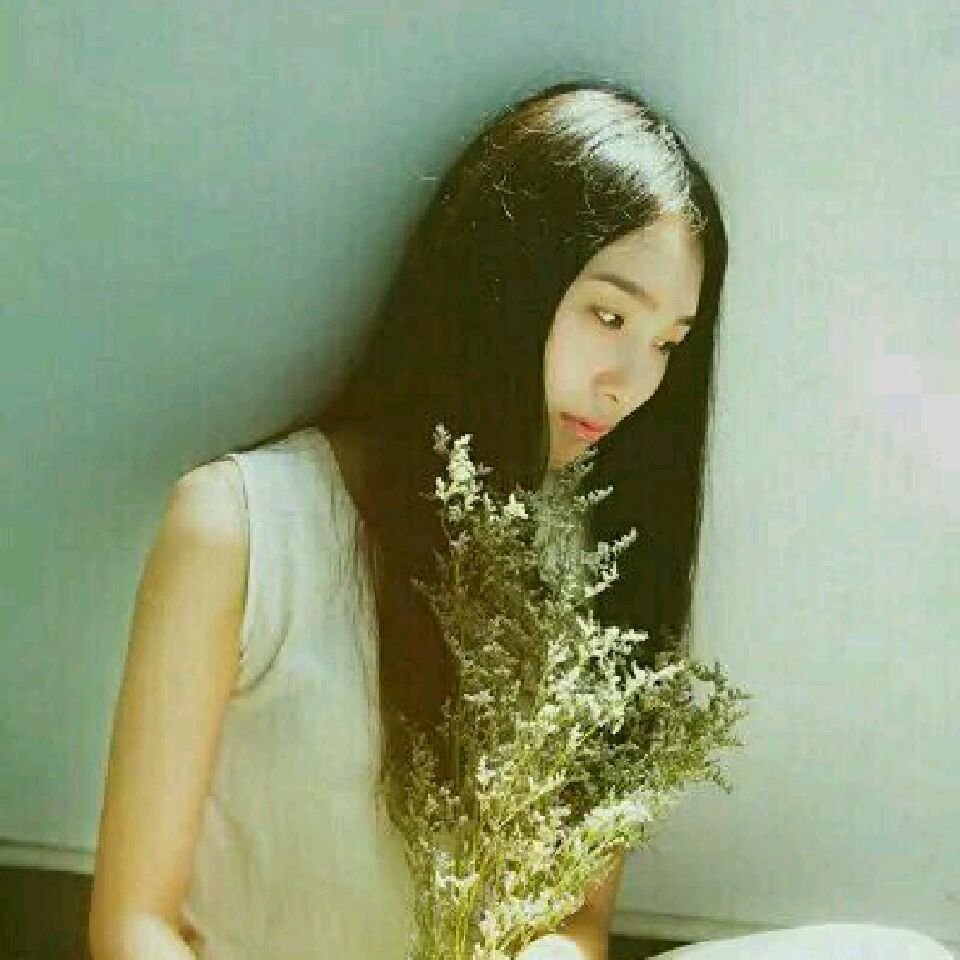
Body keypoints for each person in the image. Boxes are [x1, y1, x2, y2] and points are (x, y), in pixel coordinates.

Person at [88, 79, 952, 960]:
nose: (631, 383)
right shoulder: (242, 528)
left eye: (667, 342)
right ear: (501, 287)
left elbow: (578, 920)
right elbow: (133, 926)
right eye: (609, 315)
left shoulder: (599, 552)